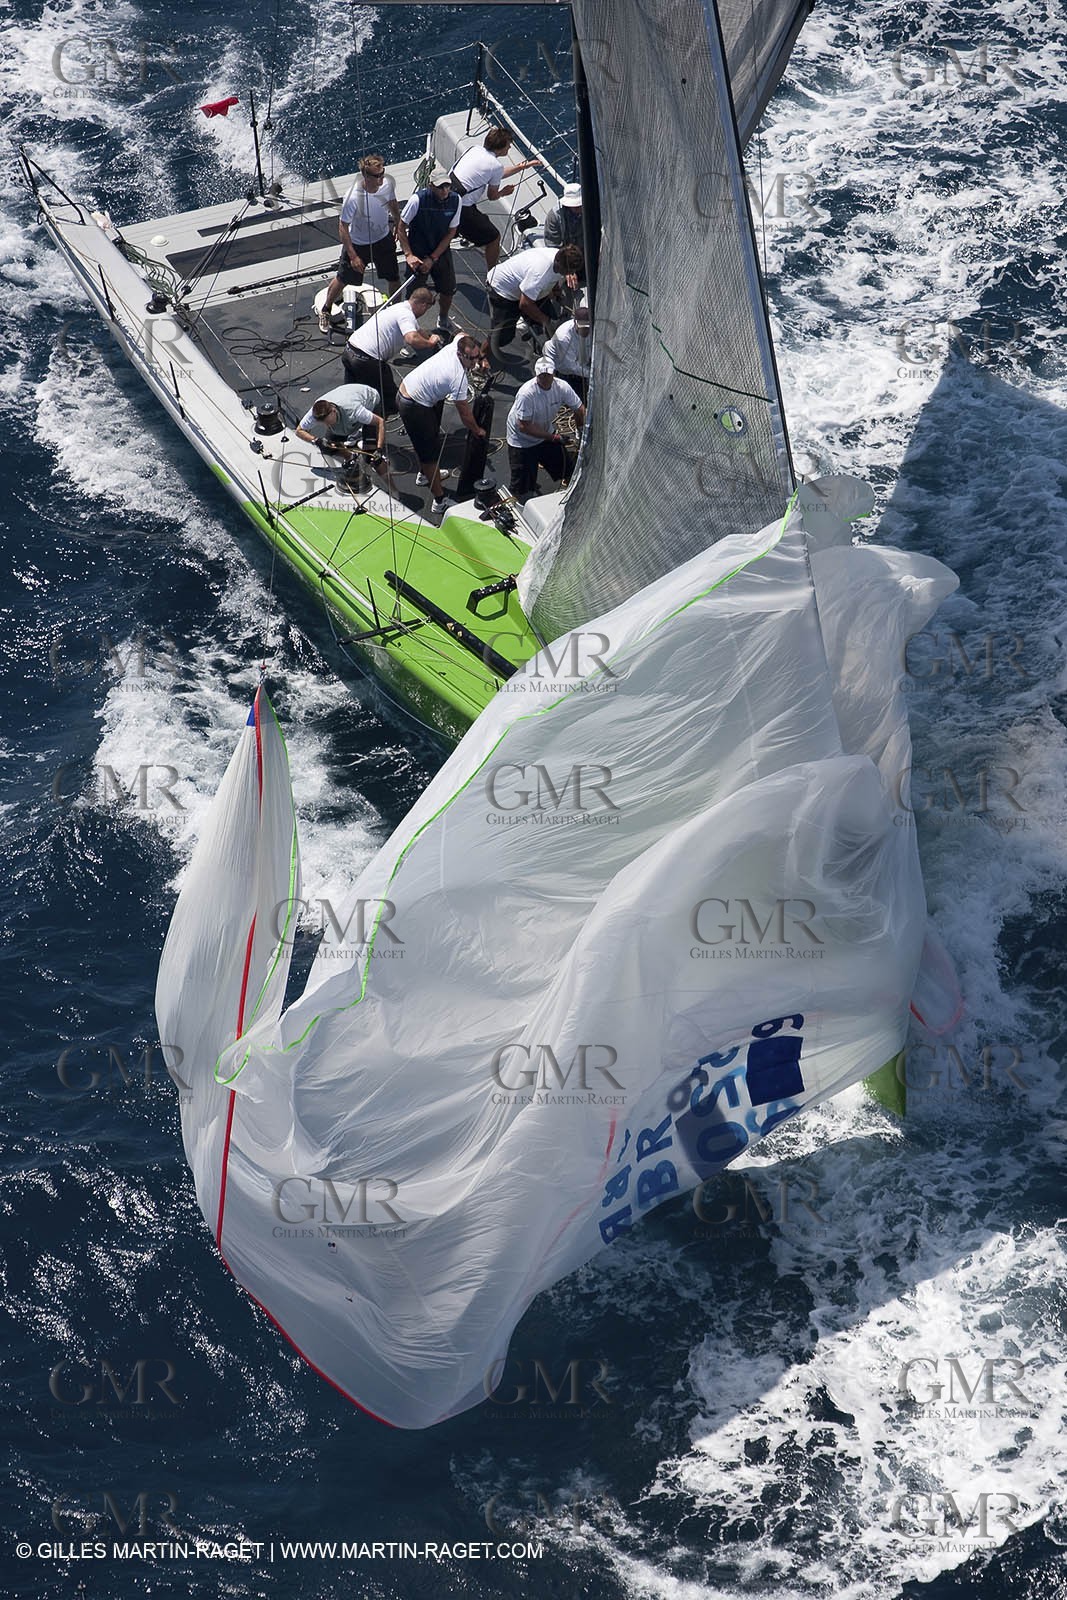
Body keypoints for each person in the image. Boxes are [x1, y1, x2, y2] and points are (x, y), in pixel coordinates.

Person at [397, 334, 490, 514]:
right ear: (461, 355)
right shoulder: (458, 378)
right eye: (471, 359)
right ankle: (439, 502)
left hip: (412, 391)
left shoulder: (459, 343)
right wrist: (478, 430)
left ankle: (424, 476)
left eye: (477, 357)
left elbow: (461, 334)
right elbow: (464, 413)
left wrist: (481, 359)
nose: (474, 362)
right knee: (429, 455)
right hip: (414, 405)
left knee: (428, 441)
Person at [320, 154, 401, 332]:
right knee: (342, 278)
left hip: (383, 240)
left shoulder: (387, 184)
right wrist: (353, 256)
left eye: (382, 173)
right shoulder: (353, 196)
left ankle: (397, 313)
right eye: (377, 175)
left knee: (394, 278)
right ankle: (326, 309)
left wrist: (397, 221)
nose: (381, 178)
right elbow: (343, 227)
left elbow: (392, 202)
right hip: (359, 244)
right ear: (366, 176)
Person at [449, 127, 541, 271]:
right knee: (493, 238)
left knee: (481, 220)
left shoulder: (475, 149)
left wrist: (524, 166)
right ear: (501, 146)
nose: (510, 147)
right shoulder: (495, 165)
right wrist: (504, 192)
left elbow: (494, 173)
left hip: (449, 197)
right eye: (508, 145)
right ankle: (493, 276)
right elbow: (492, 196)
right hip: (462, 208)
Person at [342, 286, 443, 414]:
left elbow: (418, 331)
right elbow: (412, 338)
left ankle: (349, 418)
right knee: (388, 398)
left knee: (350, 392)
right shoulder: (407, 315)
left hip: (349, 350)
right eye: (426, 309)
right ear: (423, 305)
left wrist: (431, 338)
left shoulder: (400, 307)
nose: (424, 313)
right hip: (366, 359)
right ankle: (374, 424)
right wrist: (429, 343)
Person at [506, 357, 586, 499]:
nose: (544, 378)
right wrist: (554, 437)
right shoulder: (527, 394)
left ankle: (574, 494)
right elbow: (524, 426)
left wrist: (582, 432)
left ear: (553, 373)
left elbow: (579, 409)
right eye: (541, 375)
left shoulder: (562, 387)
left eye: (548, 375)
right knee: (522, 489)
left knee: (567, 469)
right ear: (536, 375)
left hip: (545, 433)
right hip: (522, 441)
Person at [486, 243, 583, 353]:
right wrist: (544, 320)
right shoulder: (540, 273)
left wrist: (555, 290)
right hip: (502, 291)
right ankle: (482, 355)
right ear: (559, 263)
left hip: (527, 288)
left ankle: (542, 346)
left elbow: (553, 277)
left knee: (550, 315)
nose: (570, 274)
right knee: (501, 337)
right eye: (568, 272)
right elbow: (525, 304)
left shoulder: (559, 257)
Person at [396, 170, 461, 331]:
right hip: (418, 252)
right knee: (414, 296)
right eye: (440, 187)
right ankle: (407, 329)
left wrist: (433, 258)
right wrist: (409, 255)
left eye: (447, 186)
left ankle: (443, 320)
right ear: (431, 186)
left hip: (440, 252)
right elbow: (401, 228)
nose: (445, 190)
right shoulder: (417, 200)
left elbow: (451, 232)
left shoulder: (456, 200)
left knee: (448, 289)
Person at [295, 383, 386, 458]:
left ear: (333, 411)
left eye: (329, 422)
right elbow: (299, 431)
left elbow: (380, 422)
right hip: (347, 414)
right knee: (328, 447)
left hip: (370, 401)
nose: (327, 425)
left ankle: (361, 434)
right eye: (325, 423)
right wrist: (316, 440)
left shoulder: (355, 410)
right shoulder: (315, 413)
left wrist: (379, 449)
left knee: (370, 454)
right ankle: (351, 457)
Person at [541, 303, 592, 402]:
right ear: (575, 322)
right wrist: (592, 374)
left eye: (588, 327)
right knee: (578, 401)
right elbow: (571, 366)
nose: (586, 330)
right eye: (582, 327)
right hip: (564, 369)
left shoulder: (594, 328)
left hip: (581, 363)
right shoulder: (563, 337)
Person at [544, 182, 583, 251]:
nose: (579, 208)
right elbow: (552, 245)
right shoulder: (554, 216)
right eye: (575, 206)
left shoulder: (592, 210)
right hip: (565, 254)